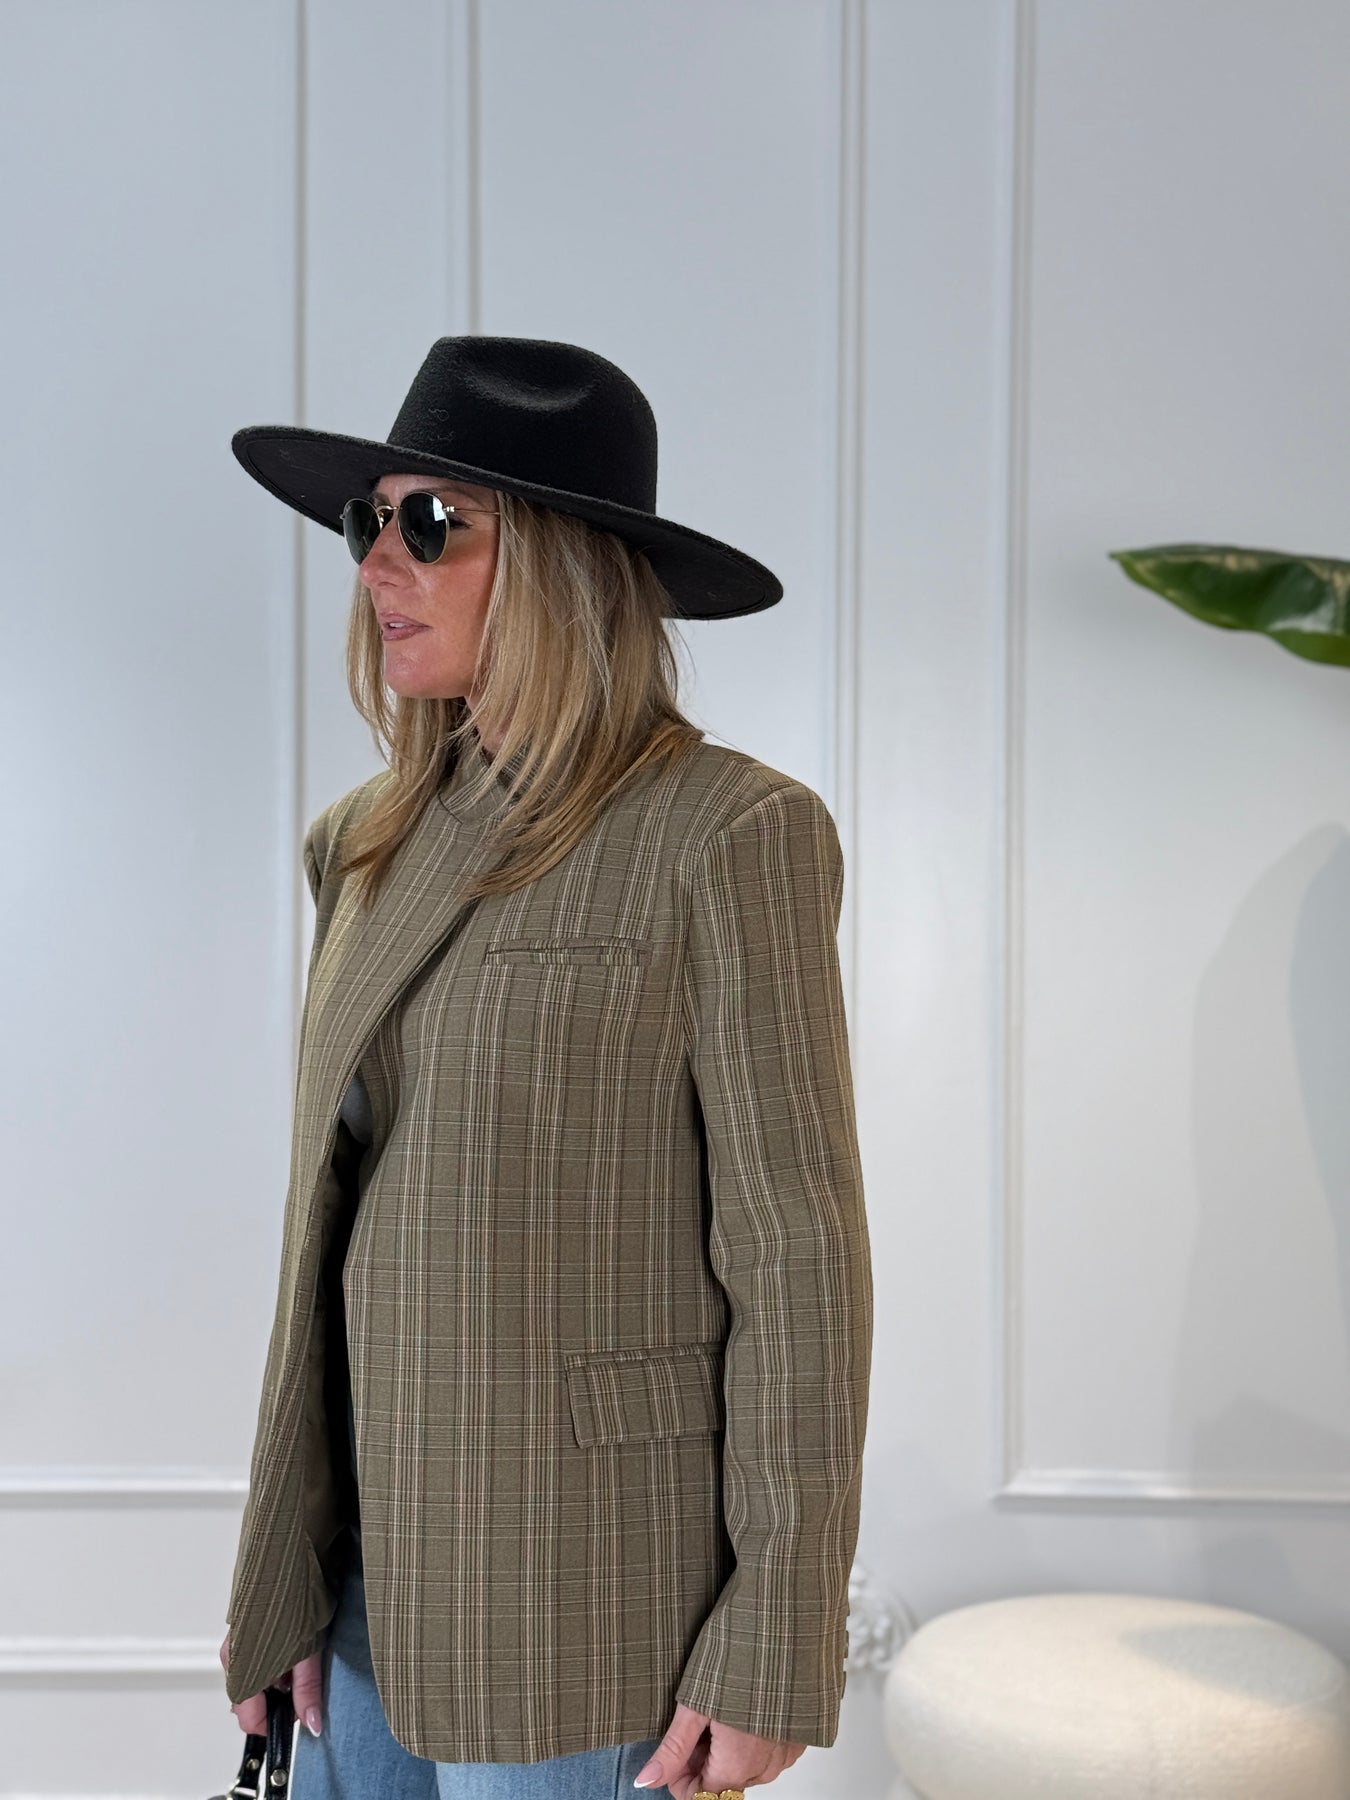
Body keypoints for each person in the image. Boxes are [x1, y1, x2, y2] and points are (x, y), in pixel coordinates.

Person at [216, 336, 874, 1800]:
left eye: (432, 523)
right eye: (368, 520)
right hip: (365, 1590)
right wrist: (280, 1578)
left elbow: (797, 1257)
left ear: (566, 565)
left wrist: (775, 1639)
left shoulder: (727, 832)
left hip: (594, 1595)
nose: (376, 563)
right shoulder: (364, 841)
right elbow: (324, 1247)